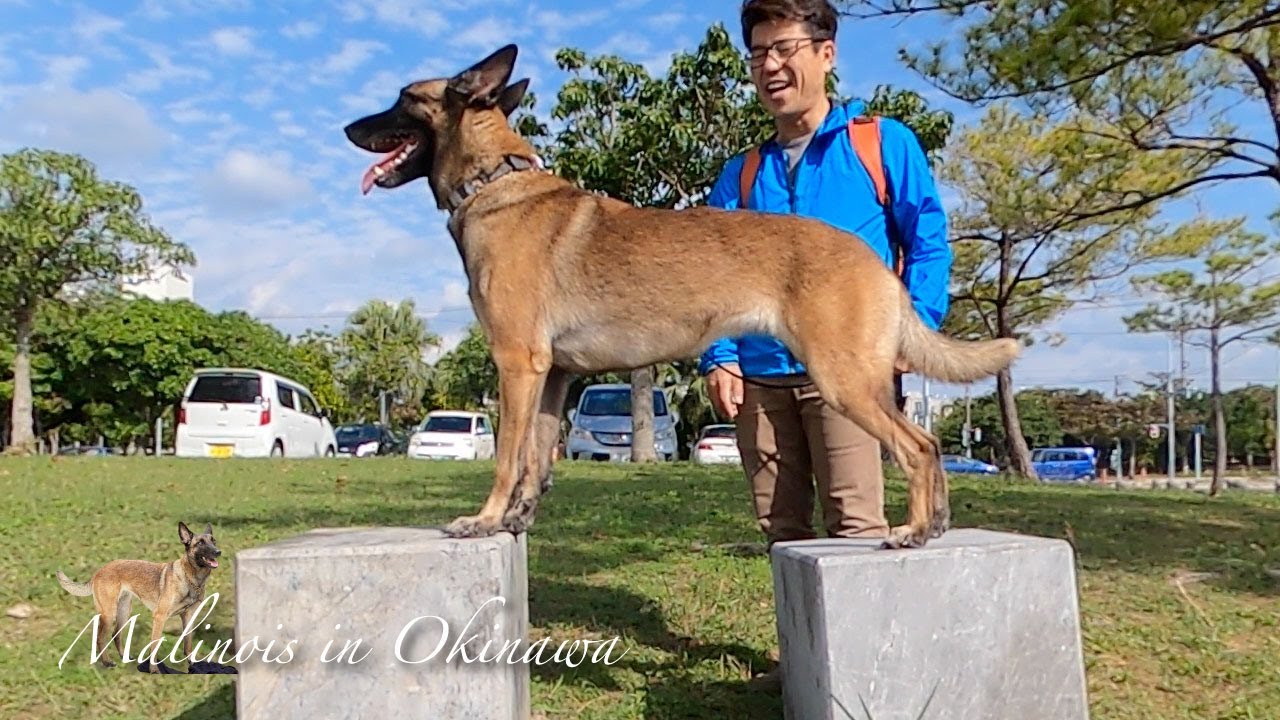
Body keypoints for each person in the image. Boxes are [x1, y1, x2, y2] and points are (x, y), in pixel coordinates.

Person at [699, 0, 952, 550]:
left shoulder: (880, 143)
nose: (770, 67)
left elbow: (927, 241)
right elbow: (709, 274)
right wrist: (720, 357)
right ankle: (800, 640)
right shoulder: (741, 173)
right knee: (782, 534)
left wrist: (918, 326)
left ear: (827, 54)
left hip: (845, 369)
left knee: (857, 529)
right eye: (759, 53)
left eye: (785, 49)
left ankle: (864, 638)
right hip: (760, 377)